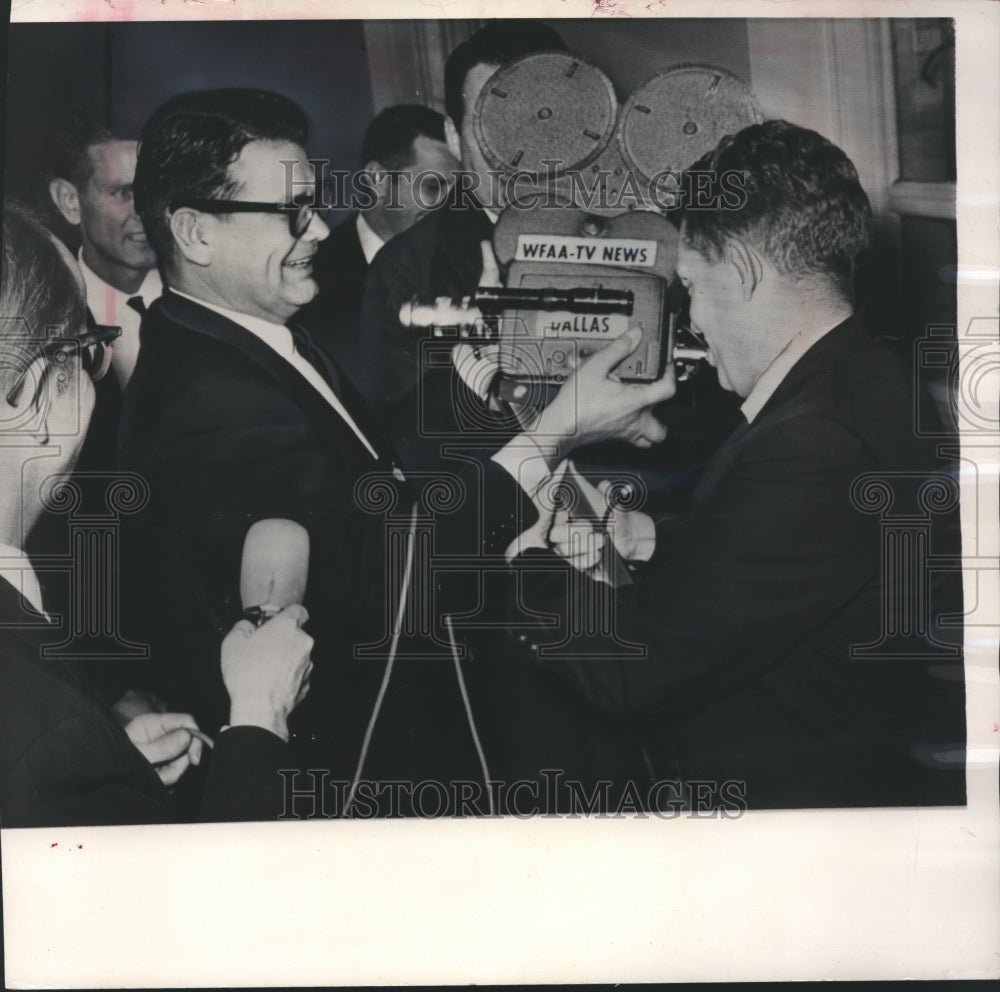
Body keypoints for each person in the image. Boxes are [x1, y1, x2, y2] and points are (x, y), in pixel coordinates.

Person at [514, 121, 967, 809]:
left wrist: (526, 565)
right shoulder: (863, 374)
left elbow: (632, 671)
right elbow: (789, 563)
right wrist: (655, 535)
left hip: (794, 818)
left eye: (691, 286)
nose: (690, 320)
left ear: (745, 272)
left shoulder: (817, 438)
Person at [0, 203, 315, 828]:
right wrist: (259, 716)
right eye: (87, 353)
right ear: (30, 395)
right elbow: (221, 913)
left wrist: (110, 775)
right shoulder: (48, 731)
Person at [358, 21, 568, 473]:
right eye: (492, 124)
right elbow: (408, 438)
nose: (519, 152)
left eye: (541, 118)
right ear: (454, 138)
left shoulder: (639, 236)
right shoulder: (404, 270)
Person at [298, 104, 458, 381]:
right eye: (433, 187)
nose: (451, 207)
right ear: (378, 180)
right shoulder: (313, 277)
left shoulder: (467, 259)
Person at [47, 121, 162, 389]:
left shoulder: (207, 298)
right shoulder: (45, 314)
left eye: (154, 190)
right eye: (124, 192)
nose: (145, 210)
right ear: (70, 201)